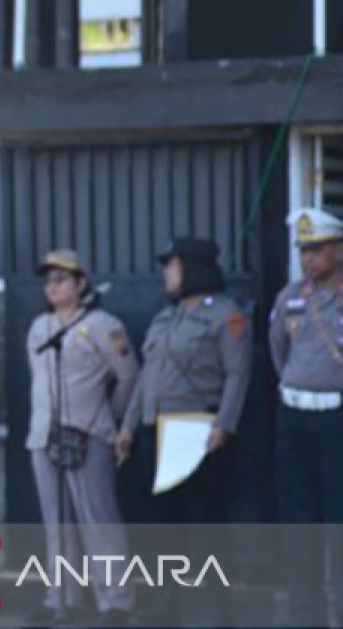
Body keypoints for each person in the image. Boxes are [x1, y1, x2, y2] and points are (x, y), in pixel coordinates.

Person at [115, 238, 249, 624]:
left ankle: (211, 612)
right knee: (161, 527)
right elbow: (146, 378)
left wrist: (224, 427)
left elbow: (237, 375)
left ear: (193, 268)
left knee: (205, 527)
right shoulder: (164, 318)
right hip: (155, 431)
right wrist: (128, 426)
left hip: (198, 430)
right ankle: (164, 607)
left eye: (172, 265)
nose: (166, 274)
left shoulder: (226, 316)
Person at [26, 250, 135, 626]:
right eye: (49, 280)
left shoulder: (104, 325)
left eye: (62, 279)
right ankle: (62, 598)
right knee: (56, 522)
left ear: (81, 283)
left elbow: (126, 377)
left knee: (97, 519)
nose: (53, 286)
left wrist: (114, 419)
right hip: (45, 435)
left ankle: (114, 601)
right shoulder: (40, 328)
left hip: (88, 432)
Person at [268, 208, 343, 626]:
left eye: (316, 250)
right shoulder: (290, 297)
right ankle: (306, 615)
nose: (308, 259)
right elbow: (278, 350)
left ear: (338, 249)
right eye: (303, 251)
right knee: (300, 521)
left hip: (338, 417)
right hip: (295, 415)